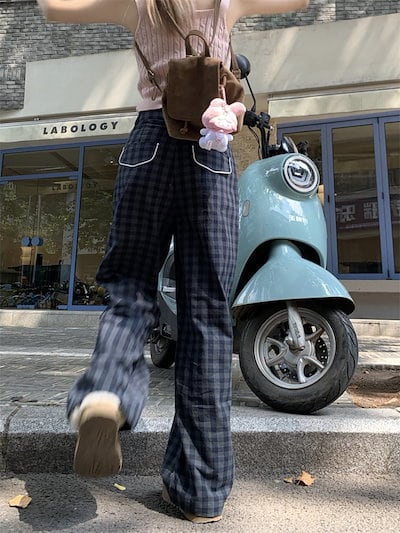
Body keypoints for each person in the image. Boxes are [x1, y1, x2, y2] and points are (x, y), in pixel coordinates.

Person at [36, 0, 310, 523]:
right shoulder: (225, 5)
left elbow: (53, 8)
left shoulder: (138, 5)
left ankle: (107, 393)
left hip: (148, 146)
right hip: (209, 154)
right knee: (207, 314)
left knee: (131, 289)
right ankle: (199, 491)